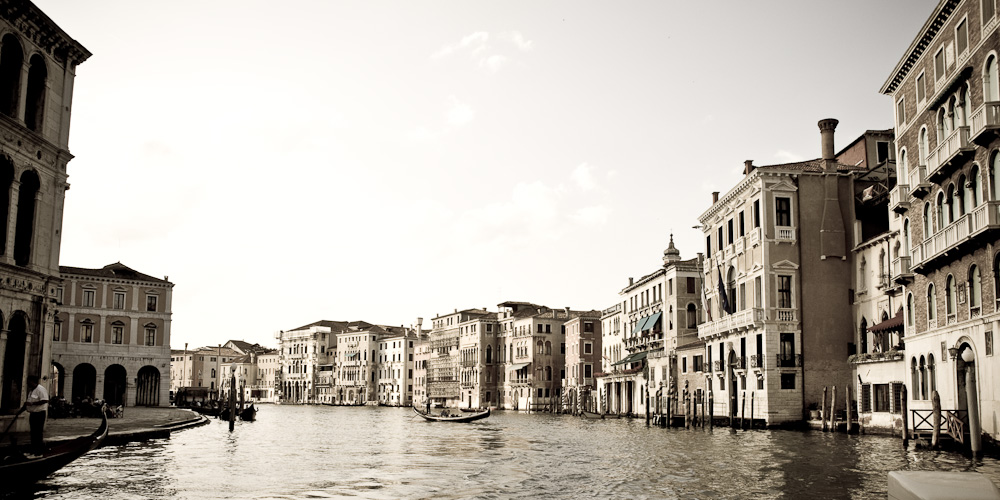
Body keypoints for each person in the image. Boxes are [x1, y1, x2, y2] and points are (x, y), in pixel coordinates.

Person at [22, 375, 48, 458]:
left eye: (28, 381)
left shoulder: (40, 389)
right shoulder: (32, 391)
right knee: (33, 433)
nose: (27, 383)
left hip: (39, 414)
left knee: (37, 433)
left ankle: (38, 453)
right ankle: (33, 451)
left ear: (32, 381)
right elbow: (28, 403)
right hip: (33, 414)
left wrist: (33, 404)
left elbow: (45, 400)